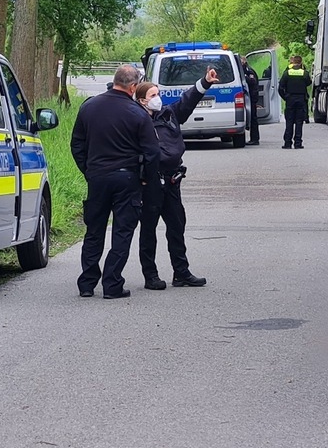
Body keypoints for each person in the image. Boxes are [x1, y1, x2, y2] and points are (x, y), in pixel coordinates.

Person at [70, 64, 157, 299]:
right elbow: (152, 153)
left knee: (94, 231)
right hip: (127, 178)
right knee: (122, 231)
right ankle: (112, 283)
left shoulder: (88, 107)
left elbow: (77, 144)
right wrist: (147, 180)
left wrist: (88, 170)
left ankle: (87, 284)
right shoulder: (138, 113)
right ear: (133, 87)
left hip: (97, 177)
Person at [132, 66, 219, 289]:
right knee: (149, 230)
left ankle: (181, 273)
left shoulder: (169, 114)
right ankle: (150, 276)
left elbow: (188, 100)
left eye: (158, 94)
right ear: (142, 101)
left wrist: (205, 81)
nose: (157, 99)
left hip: (172, 181)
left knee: (177, 226)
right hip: (150, 182)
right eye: (152, 95)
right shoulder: (136, 121)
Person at [278, 54, 312, 149]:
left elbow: (280, 88)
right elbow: (309, 82)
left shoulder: (287, 73)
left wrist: (285, 97)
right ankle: (298, 143)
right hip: (301, 99)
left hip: (290, 99)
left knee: (289, 121)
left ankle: (287, 143)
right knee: (299, 122)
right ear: (301, 62)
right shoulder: (304, 73)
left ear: (292, 62)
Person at [240, 56, 260, 145]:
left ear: (244, 62)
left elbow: (253, 81)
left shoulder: (248, 70)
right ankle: (253, 138)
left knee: (253, 118)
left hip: (252, 96)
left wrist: (244, 77)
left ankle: (255, 139)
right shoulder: (243, 70)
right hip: (248, 96)